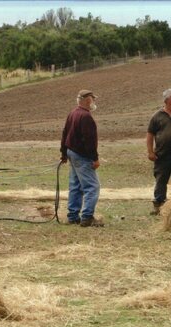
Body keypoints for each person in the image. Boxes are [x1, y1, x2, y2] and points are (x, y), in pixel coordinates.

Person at [60, 90, 103, 227]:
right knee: (92, 187)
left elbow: (65, 133)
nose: (93, 102)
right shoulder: (86, 117)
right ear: (88, 100)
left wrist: (64, 153)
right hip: (82, 156)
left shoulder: (73, 113)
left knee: (76, 186)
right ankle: (87, 217)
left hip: (72, 152)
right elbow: (89, 141)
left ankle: (72, 216)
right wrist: (95, 159)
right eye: (92, 99)